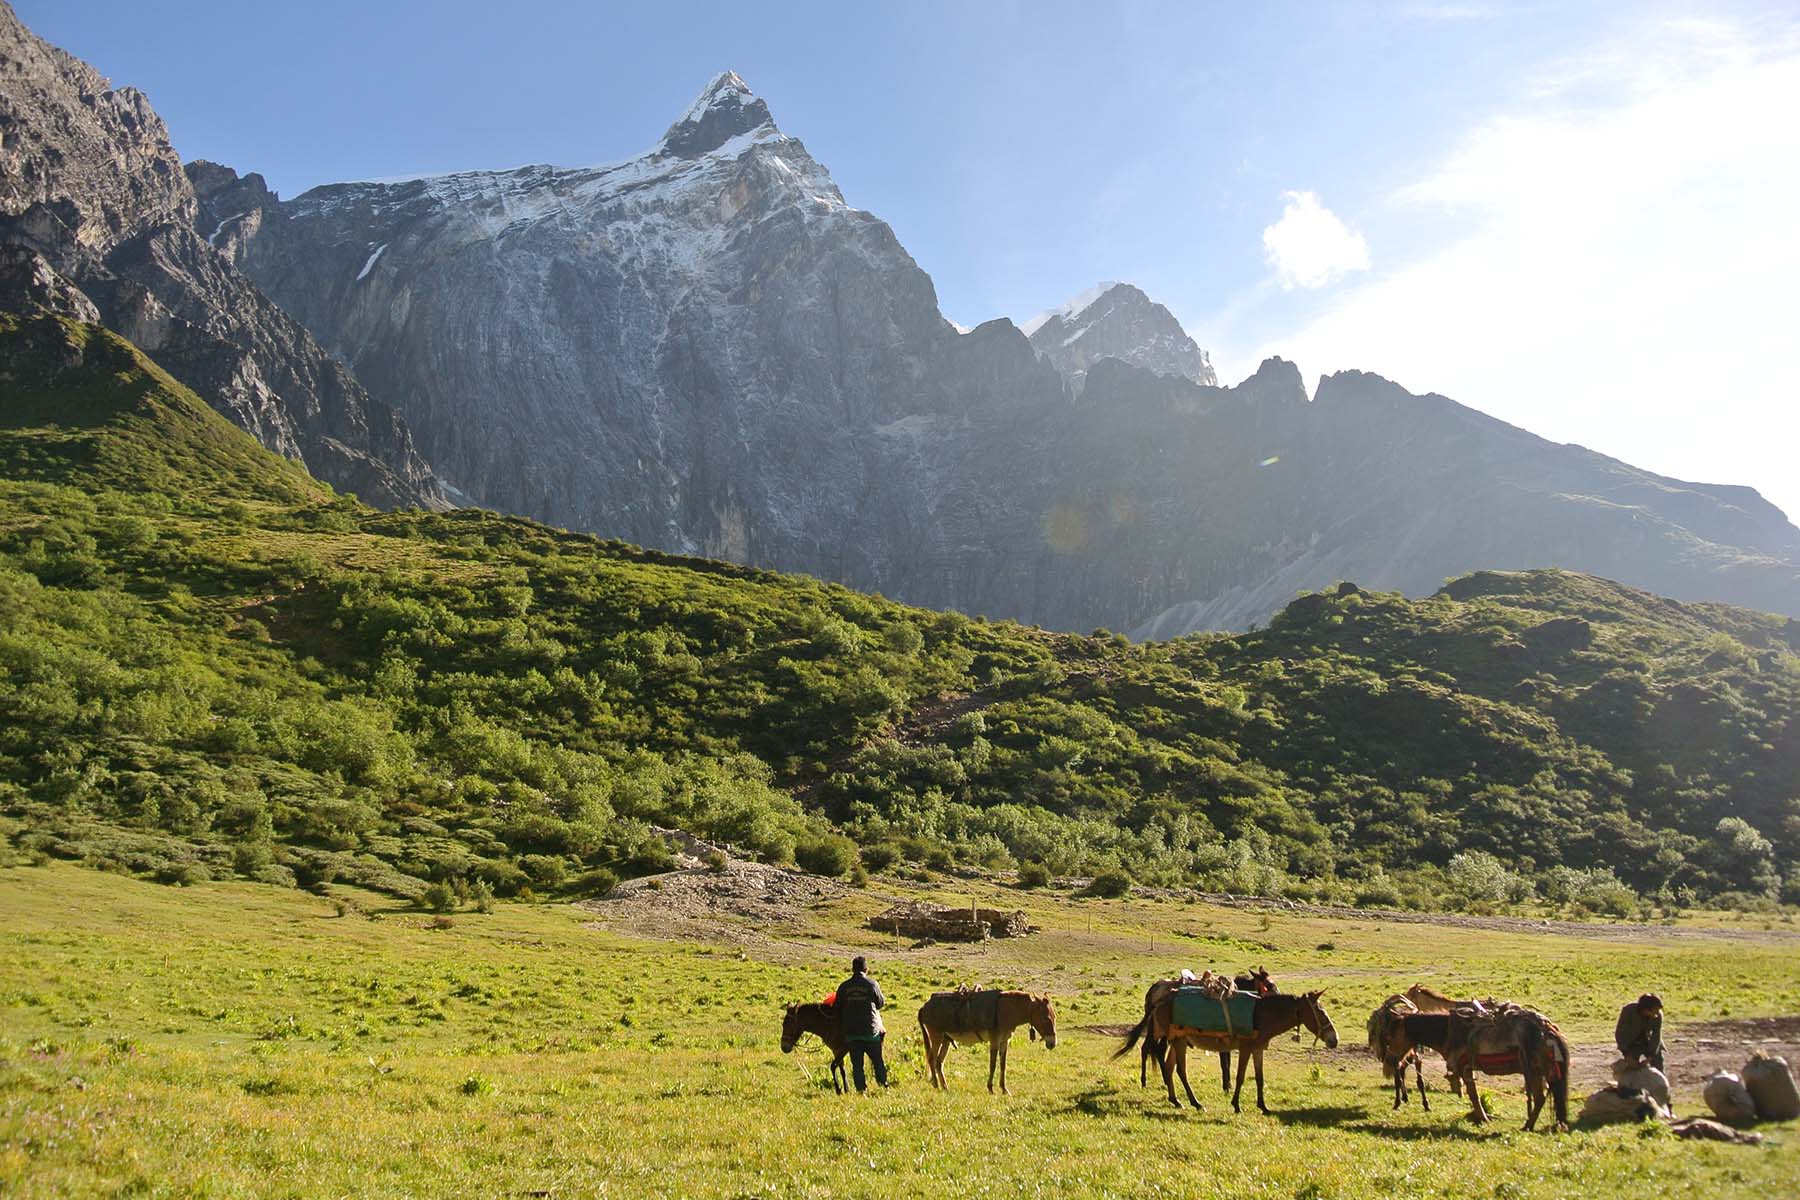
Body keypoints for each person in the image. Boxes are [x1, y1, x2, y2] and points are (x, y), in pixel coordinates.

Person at [834, 955, 888, 1092]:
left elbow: (836, 1007)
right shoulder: (872, 984)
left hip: (852, 1033)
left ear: (852, 969)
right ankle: (883, 1086)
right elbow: (880, 1003)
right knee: (878, 1062)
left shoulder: (844, 986)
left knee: (857, 1065)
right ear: (866, 969)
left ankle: (861, 1090)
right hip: (871, 1032)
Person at [1615, 993, 1665, 1070]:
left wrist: (1650, 1057)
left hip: (1649, 1043)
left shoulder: (1658, 1016)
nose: (1657, 1013)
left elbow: (1656, 1036)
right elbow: (1620, 1033)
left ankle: (1660, 1081)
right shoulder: (1628, 1011)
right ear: (1645, 1009)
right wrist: (1626, 1053)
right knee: (1631, 1068)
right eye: (1655, 1010)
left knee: (1658, 1064)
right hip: (1632, 1043)